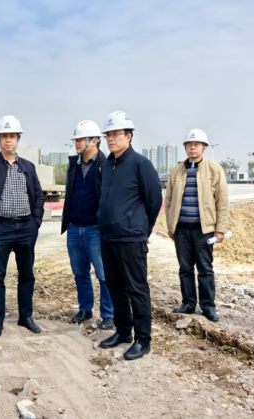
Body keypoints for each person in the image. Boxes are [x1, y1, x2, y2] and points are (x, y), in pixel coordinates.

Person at [97, 111, 162, 360]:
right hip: (108, 237)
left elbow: (154, 200)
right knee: (115, 286)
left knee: (137, 288)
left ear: (129, 136)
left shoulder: (140, 164)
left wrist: (143, 228)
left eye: (116, 134)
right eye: (108, 135)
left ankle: (143, 339)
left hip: (131, 239)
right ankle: (123, 331)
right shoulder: (106, 165)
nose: (111, 139)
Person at [0, 115, 44, 339]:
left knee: (26, 275)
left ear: (18, 138)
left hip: (26, 228)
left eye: (12, 136)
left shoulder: (28, 167)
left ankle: (26, 316)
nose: (8, 140)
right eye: (4, 136)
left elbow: (38, 196)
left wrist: (35, 222)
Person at [165, 129, 229, 322]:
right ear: (185, 147)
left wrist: (220, 229)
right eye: (189, 144)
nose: (192, 147)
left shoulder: (215, 170)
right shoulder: (176, 171)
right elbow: (168, 201)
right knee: (185, 268)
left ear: (204, 147)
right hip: (182, 229)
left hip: (204, 230)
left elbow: (222, 201)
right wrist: (171, 226)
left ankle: (208, 306)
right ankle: (188, 303)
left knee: (205, 269)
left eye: (197, 144)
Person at [62, 120, 114, 329]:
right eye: (76, 139)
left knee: (103, 274)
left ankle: (108, 314)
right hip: (74, 227)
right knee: (80, 272)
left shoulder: (107, 165)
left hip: (95, 229)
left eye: (80, 139)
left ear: (94, 141)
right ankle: (85, 309)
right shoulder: (73, 164)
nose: (76, 143)